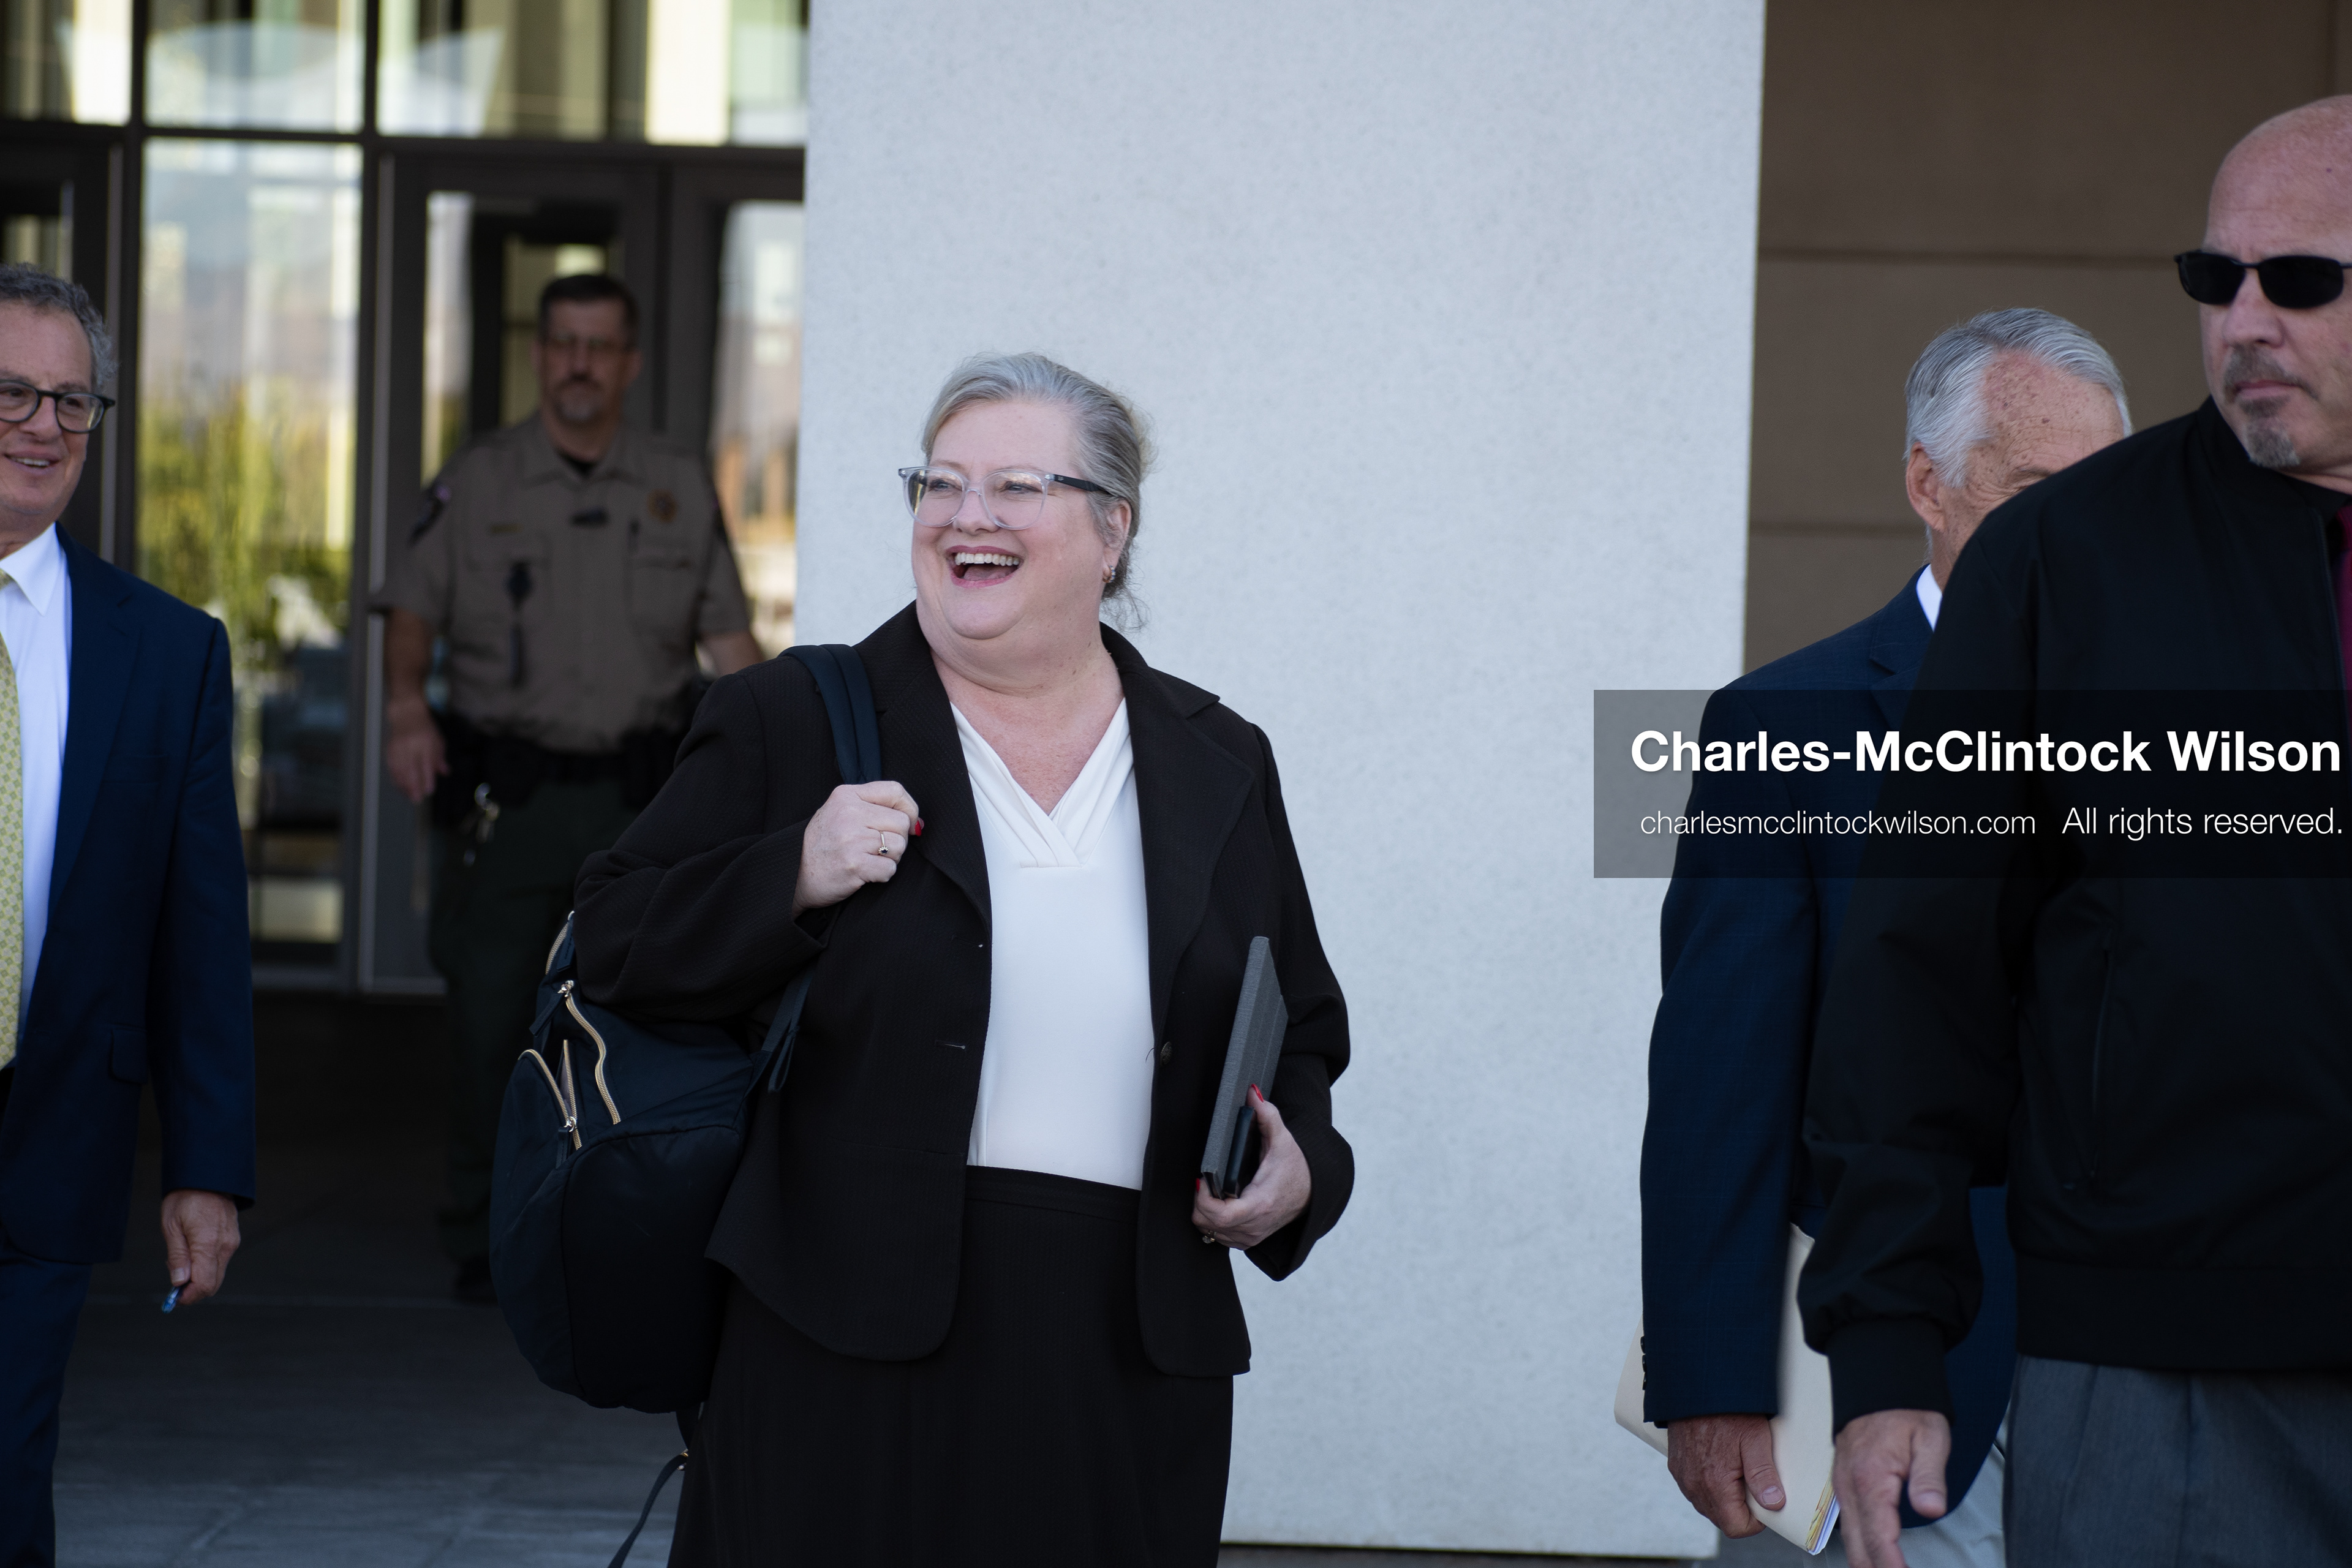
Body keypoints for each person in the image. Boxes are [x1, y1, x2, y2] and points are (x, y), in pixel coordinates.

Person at [571, 352, 1353, 1565]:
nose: (966, 515)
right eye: (939, 483)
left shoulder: (1217, 758)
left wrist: (1299, 1169)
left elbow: (1298, 1026)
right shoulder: (800, 718)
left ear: (1112, 529)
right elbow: (611, 934)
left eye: (1014, 486)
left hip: (1127, 1348)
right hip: (839, 1336)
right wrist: (794, 870)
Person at [1800, 96, 2352, 1568]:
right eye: (2212, 279)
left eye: (2298, 280)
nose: (2243, 319)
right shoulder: (2066, 555)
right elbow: (1919, 963)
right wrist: (1889, 1339)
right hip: (2157, 1353)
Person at [1640, 309, 2128, 1564]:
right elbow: (1720, 1081)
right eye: (2033, 491)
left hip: (2134, 1380)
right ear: (1930, 481)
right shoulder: (1781, 723)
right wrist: (1711, 1371)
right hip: (1868, 1386)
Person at [372, 273, 762, 1302]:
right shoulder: (482, 479)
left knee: (652, 1023)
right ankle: (481, 1235)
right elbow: (410, 608)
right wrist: (407, 707)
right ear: (539, 355)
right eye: (563, 343)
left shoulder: (676, 480)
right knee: (490, 1021)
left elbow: (730, 640)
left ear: (629, 362)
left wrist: (780, 749)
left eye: (600, 345)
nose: (580, 362)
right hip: (515, 799)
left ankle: (628, 1226)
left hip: (646, 804)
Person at [0, 264, 254, 1565]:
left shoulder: (167, 651)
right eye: (11, 393)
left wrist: (207, 1166)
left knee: (4, 1481)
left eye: (72, 402)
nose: (43, 427)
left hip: (44, 1142)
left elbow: (200, 930)